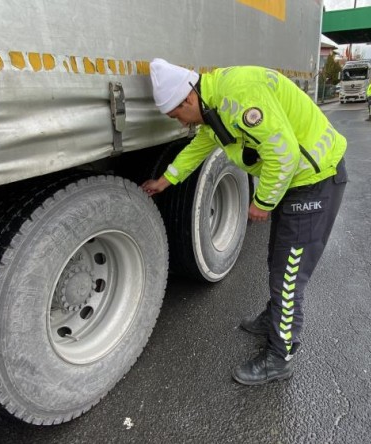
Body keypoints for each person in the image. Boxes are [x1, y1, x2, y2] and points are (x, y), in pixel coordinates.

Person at [141, 58, 347, 385]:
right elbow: (200, 147)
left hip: (314, 179)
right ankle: (274, 318)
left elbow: (284, 154)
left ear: (188, 99)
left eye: (176, 114)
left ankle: (280, 357)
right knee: (278, 261)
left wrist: (262, 202)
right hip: (296, 181)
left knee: (289, 272)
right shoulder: (214, 106)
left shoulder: (238, 97)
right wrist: (166, 180)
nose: (180, 122)